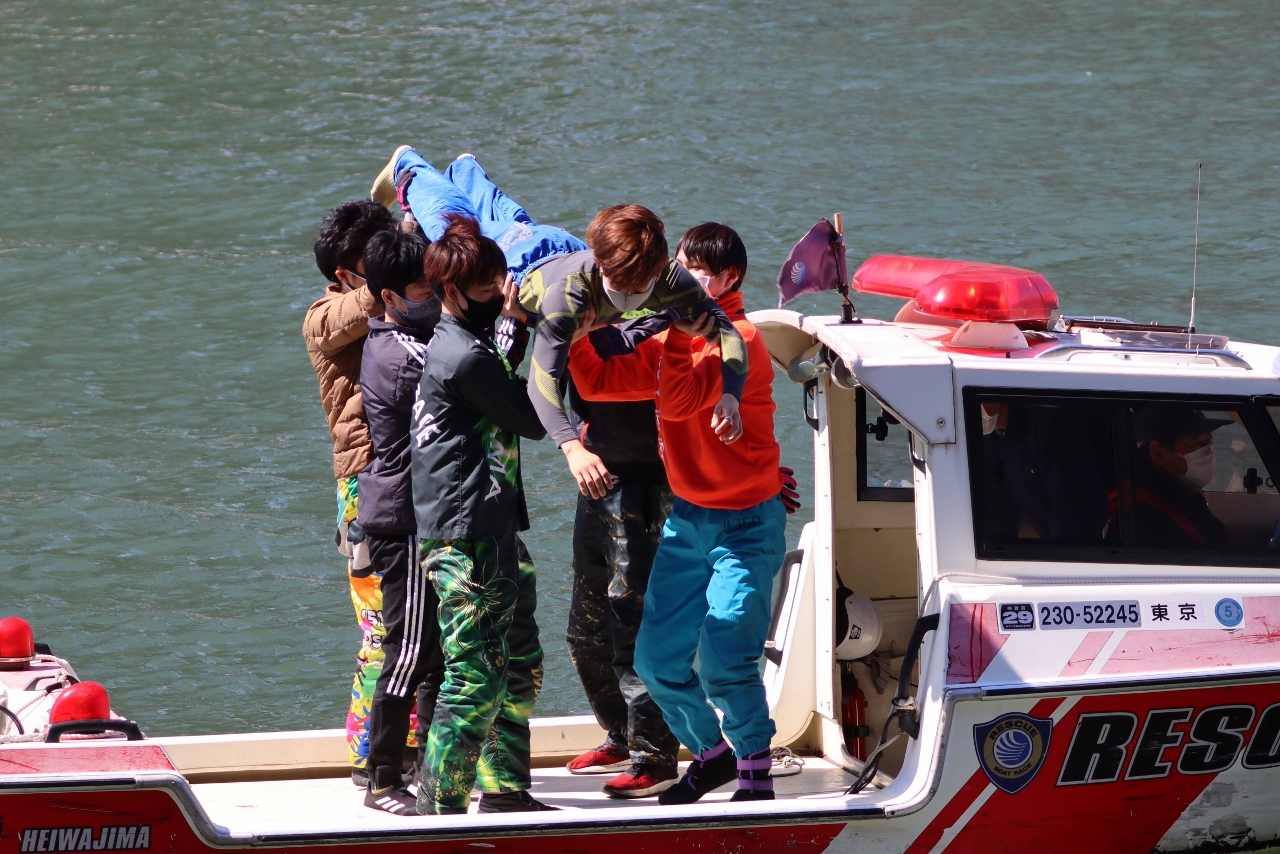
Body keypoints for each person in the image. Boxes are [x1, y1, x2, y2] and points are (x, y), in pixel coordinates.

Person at [569, 223, 787, 804]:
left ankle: (755, 775)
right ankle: (712, 756)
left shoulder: (741, 338)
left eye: (697, 272)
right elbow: (599, 382)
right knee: (655, 660)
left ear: (728, 279)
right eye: (679, 268)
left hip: (747, 524)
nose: (682, 280)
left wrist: (669, 328)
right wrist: (573, 330)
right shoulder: (672, 335)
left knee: (724, 658)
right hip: (688, 520)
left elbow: (679, 398)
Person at [409, 215, 554, 816]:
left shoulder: (469, 346)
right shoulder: (461, 356)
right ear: (450, 291)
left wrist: (514, 325)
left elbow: (499, 373)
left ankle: (504, 791)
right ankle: (436, 810)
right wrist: (548, 337)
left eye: (501, 279)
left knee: (519, 663)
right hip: (464, 537)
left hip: (491, 529)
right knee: (474, 677)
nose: (501, 291)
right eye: (488, 286)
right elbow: (531, 416)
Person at [519, 206, 750, 503]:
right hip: (526, 260)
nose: (628, 299)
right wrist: (572, 448)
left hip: (659, 472)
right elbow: (542, 379)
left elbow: (731, 336)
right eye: (620, 289)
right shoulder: (569, 296)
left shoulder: (673, 283)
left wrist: (731, 395)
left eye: (638, 289)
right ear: (602, 265)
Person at [304, 199, 417, 785]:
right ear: (345, 273)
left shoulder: (409, 308)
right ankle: (369, 752)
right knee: (382, 626)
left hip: (420, 478)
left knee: (425, 624)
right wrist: (401, 259)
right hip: (365, 485)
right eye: (374, 261)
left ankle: (414, 744)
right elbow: (365, 304)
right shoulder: (324, 316)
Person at [562, 315, 682, 799]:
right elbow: (543, 391)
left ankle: (655, 756)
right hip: (594, 479)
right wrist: (572, 446)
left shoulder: (665, 320)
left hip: (648, 485)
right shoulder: (573, 321)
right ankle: (621, 734)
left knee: (634, 625)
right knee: (585, 629)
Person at [356, 227, 447, 814]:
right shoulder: (403, 355)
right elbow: (462, 370)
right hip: (403, 522)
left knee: (435, 655)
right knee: (409, 652)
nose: (434, 297)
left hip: (419, 514)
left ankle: (427, 769)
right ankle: (383, 778)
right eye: (423, 290)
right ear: (389, 296)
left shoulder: (394, 338)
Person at [370, 146, 587, 285]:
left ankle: (465, 173)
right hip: (532, 271)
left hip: (562, 248)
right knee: (453, 239)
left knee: (513, 229)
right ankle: (409, 167)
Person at [1121, 408, 1230, 547]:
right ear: (1158, 452)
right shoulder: (1146, 517)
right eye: (1196, 443)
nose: (1207, 450)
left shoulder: (1185, 494)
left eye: (1208, 441)